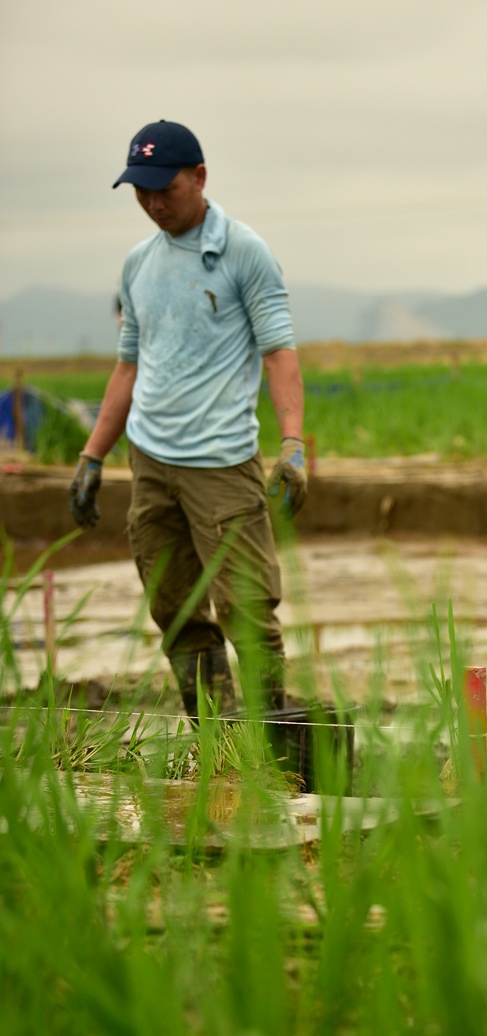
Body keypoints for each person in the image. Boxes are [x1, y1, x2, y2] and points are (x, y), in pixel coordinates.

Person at [68, 120, 307, 718]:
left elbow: (279, 353)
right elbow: (127, 369)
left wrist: (294, 445)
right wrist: (92, 456)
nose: (152, 203)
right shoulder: (138, 264)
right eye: (140, 192)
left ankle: (272, 744)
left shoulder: (243, 253)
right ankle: (216, 738)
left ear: (199, 178)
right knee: (173, 605)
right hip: (151, 462)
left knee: (247, 609)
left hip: (221, 464)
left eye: (164, 189)